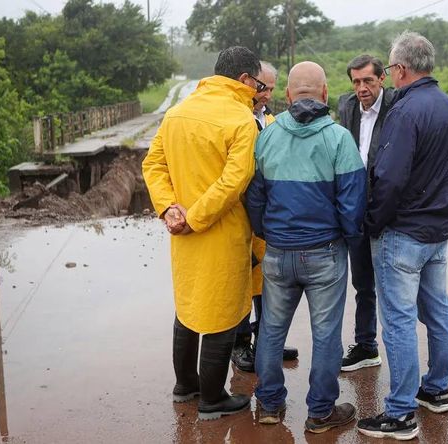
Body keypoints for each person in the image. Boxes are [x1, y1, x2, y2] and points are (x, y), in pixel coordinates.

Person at [356, 32, 448, 440]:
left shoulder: (405, 112)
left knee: (400, 320)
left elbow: (389, 177)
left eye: (388, 70)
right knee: (437, 309)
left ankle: (400, 412)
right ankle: (436, 389)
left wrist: (373, 222)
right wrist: (444, 209)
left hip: (402, 232)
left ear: (400, 70)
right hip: (437, 230)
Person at [142, 46, 265, 421]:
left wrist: (170, 209)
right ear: (244, 79)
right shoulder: (241, 121)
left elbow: (153, 163)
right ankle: (212, 397)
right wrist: (195, 217)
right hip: (219, 232)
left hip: (182, 233)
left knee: (189, 307)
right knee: (222, 313)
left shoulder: (176, 114)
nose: (259, 91)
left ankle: (186, 386)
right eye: (257, 84)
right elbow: (235, 181)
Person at [246, 61, 366, 433]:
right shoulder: (339, 139)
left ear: (286, 95)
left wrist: (268, 232)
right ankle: (320, 413)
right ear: (326, 93)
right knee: (326, 334)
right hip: (325, 253)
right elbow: (352, 204)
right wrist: (348, 239)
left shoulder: (267, 136)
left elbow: (254, 197)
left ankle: (268, 405)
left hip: (279, 253)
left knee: (270, 329)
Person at [232, 61, 299, 372]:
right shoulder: (237, 118)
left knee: (268, 281)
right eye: (262, 87)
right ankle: (240, 343)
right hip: (241, 211)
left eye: (271, 88)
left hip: (266, 214)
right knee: (244, 279)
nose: (266, 94)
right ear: (249, 83)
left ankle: (266, 341)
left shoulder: (271, 120)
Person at [337, 54, 394, 372]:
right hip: (355, 207)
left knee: (391, 284)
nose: (361, 88)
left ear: (381, 79)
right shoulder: (346, 105)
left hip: (388, 208)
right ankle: (366, 344)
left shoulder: (397, 106)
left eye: (368, 81)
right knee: (362, 282)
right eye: (356, 81)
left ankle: (397, 348)